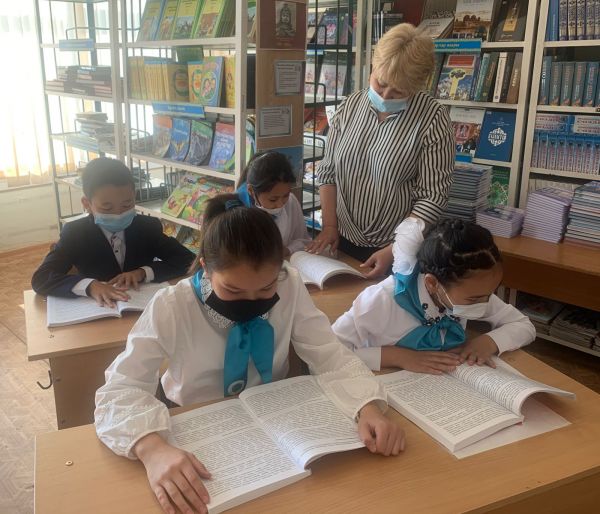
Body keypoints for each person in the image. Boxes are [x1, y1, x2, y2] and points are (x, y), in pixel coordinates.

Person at [95, 195, 405, 514]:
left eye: (266, 288)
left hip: (276, 416)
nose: (253, 300)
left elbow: (329, 354)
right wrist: (152, 450)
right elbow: (121, 388)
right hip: (198, 420)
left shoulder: (289, 283)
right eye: (233, 290)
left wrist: (366, 406)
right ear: (206, 268)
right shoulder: (172, 305)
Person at [306, 23, 454, 278]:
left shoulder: (433, 118)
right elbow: (328, 172)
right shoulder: (350, 105)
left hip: (398, 248)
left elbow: (432, 197)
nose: (385, 95)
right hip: (342, 238)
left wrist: (397, 249)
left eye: (398, 91)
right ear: (373, 67)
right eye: (380, 83)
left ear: (417, 86)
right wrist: (330, 225)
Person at [332, 217, 536, 374]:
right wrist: (397, 357)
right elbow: (329, 350)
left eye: (489, 295)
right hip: (383, 380)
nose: (485, 304)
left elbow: (523, 325)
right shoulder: (382, 300)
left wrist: (488, 342)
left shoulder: (474, 291)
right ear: (432, 283)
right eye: (474, 299)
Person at [31, 157, 195, 305]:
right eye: (107, 208)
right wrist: (90, 286)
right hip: (98, 312)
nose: (119, 213)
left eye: (126, 205)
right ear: (87, 204)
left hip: (141, 308)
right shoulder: (75, 234)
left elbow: (188, 260)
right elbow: (41, 278)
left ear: (134, 196)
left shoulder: (147, 227)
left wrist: (143, 273)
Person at [237, 151, 310, 257]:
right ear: (251, 191)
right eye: (273, 199)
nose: (280, 204)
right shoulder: (236, 211)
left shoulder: (291, 201)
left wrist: (288, 250)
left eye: (285, 195)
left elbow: (303, 239)